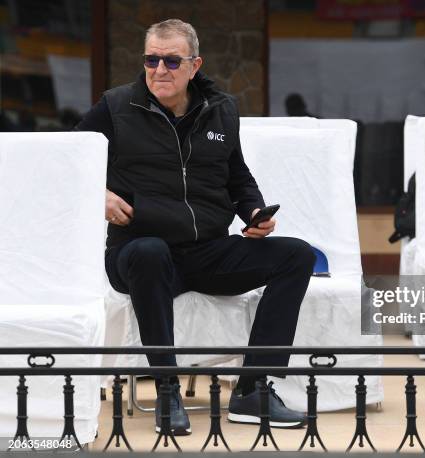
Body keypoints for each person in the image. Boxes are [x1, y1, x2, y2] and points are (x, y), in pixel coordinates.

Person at [77, 19, 315, 435]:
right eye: (151, 59)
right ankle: (167, 391)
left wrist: (255, 213)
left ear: (194, 64)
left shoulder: (221, 110)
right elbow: (67, 159)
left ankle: (253, 390)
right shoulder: (116, 107)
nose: (159, 69)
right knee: (150, 252)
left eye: (171, 60)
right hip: (137, 252)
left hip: (206, 250)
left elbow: (238, 177)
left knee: (296, 255)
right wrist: (98, 194)